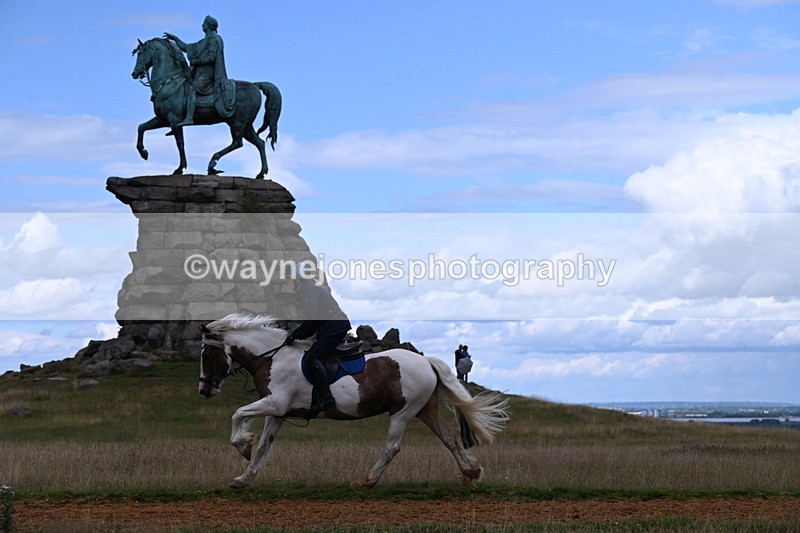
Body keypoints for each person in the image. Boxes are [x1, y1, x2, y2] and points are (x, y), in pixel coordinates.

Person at [284, 264, 351, 419]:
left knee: (313, 358)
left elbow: (312, 321)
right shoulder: (306, 288)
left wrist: (295, 335)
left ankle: (326, 397)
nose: (288, 282)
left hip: (334, 327)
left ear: (298, 277)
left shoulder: (308, 289)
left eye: (289, 278)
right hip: (329, 327)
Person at [164, 15, 232, 126]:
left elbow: (212, 57)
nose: (202, 25)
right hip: (198, 73)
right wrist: (175, 39)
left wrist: (197, 61)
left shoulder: (215, 39)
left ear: (209, 25)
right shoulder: (203, 41)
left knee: (191, 89)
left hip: (208, 74)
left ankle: (189, 118)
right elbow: (186, 48)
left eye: (204, 23)